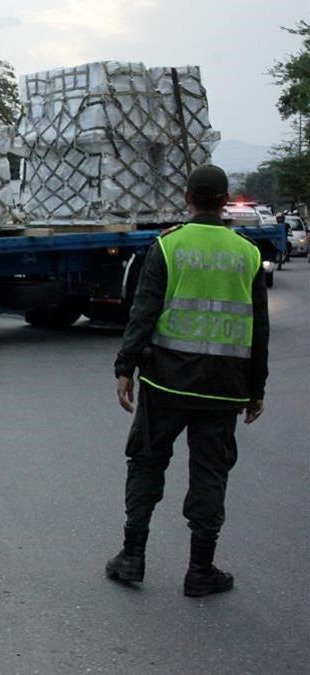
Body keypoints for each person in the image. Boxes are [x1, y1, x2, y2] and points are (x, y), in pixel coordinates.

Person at [106, 164, 269, 597]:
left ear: (187, 197)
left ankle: (132, 555)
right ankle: (201, 569)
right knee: (210, 473)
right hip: (224, 386)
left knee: (146, 462)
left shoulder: (168, 246)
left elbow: (143, 312)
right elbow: (259, 328)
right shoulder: (247, 254)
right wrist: (257, 390)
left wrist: (125, 368)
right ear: (224, 197)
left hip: (166, 383)